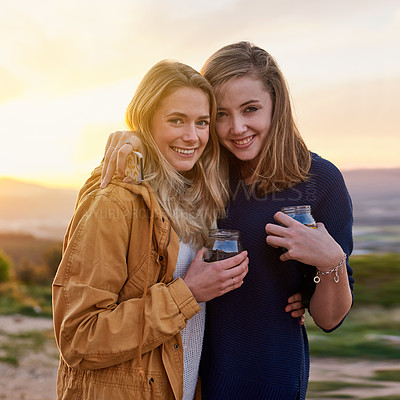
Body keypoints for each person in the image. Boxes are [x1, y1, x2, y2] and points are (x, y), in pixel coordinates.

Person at [99, 42, 354, 400]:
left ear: (276, 106)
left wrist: (332, 261)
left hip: (268, 376)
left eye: (251, 109)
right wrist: (135, 137)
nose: (237, 128)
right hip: (185, 375)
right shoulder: (198, 171)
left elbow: (329, 318)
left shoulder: (320, 180)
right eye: (220, 114)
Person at [52, 59, 251, 400]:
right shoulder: (114, 201)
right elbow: (79, 337)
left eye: (202, 122)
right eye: (176, 120)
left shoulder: (198, 200)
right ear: (145, 120)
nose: (192, 136)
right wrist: (187, 294)